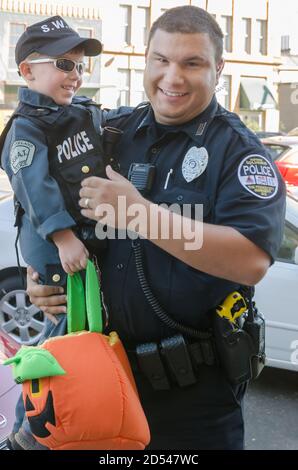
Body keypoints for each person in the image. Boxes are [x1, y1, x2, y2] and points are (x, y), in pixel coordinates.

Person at [27, 6, 286, 450]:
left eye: (192, 62)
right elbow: (40, 191)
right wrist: (43, 273)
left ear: (218, 68)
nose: (173, 77)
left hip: (190, 400)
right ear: (145, 60)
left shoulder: (238, 153)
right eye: (161, 60)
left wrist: (139, 214)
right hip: (97, 382)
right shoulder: (108, 131)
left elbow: (250, 261)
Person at [0, 15, 103, 450]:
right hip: (55, 247)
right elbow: (35, 188)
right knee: (63, 337)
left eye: (81, 66)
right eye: (64, 64)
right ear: (27, 71)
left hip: (76, 245)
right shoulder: (27, 126)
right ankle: (30, 425)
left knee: (76, 330)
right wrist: (63, 237)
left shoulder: (75, 114)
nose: (75, 75)